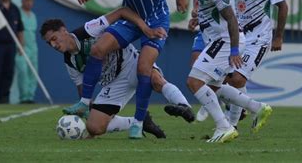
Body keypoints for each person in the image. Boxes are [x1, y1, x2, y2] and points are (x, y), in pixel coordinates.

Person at [75, 0, 188, 139]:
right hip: (130, 19)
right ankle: (85, 102)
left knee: (144, 68)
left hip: (157, 22)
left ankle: (138, 123)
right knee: (97, 50)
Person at [40, 9, 194, 138]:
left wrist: (144, 27)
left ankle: (184, 106)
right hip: (114, 84)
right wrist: (90, 113)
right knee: (94, 127)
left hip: (132, 63)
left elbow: (122, 11)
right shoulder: (70, 62)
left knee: (156, 80)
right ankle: (139, 122)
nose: (53, 45)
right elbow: (83, 92)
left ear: (63, 31)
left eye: (54, 39)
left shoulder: (89, 29)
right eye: (49, 43)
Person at [184, 0, 272, 143]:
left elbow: (231, 17)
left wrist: (233, 50)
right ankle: (257, 108)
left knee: (194, 81)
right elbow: (217, 11)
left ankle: (224, 126)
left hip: (224, 41)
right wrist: (200, 18)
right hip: (221, 40)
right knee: (214, 88)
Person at [222, 0, 288, 128]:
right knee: (224, 79)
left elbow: (282, 6)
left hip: (259, 37)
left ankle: (231, 124)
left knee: (237, 79)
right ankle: (244, 109)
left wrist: (278, 37)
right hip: (237, 37)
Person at [189, 0, 234, 121]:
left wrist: (236, 48)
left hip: (224, 35)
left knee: (197, 80)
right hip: (209, 31)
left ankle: (224, 122)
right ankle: (254, 107)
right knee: (200, 72)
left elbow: (230, 13)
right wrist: (197, 15)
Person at [14, 0, 39, 104]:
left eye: (31, 1)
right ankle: (24, 97)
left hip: (33, 47)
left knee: (32, 72)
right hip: (21, 47)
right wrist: (19, 45)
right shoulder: (18, 13)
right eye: (27, 0)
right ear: (22, 1)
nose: (29, 3)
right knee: (23, 71)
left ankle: (30, 96)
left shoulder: (33, 15)